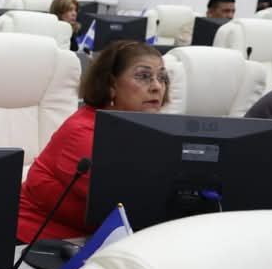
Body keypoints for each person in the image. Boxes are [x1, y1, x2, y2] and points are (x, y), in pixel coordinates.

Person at [17, 41, 168, 243]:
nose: (157, 87)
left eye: (162, 78)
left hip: (93, 243)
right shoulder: (82, 133)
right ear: (111, 85)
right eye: (143, 76)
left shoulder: (147, 131)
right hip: (35, 246)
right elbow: (133, 205)